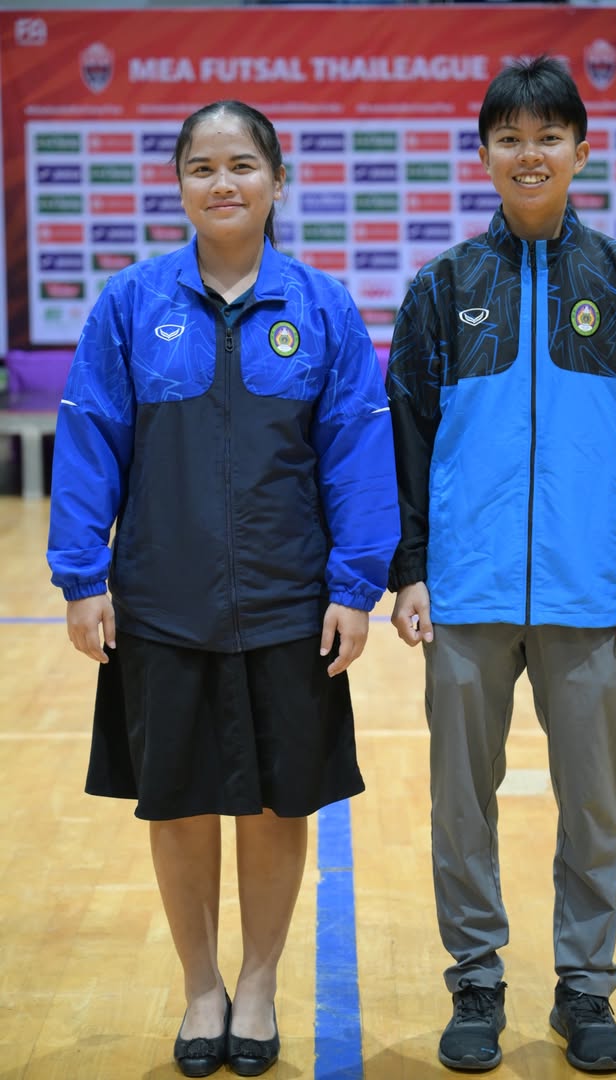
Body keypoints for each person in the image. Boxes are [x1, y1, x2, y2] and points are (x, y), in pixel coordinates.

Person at [47, 99, 399, 1078]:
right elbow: (89, 438)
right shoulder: (129, 304)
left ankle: (258, 983)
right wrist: (81, 576)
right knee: (177, 804)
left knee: (280, 805)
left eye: (242, 164)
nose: (223, 182)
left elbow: (357, 452)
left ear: (278, 181)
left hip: (290, 607)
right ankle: (201, 985)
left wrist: (355, 585)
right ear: (179, 186)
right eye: (201, 167)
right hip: (161, 606)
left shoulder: (322, 308)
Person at [386, 56, 616, 1075]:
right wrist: (410, 569)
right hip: (466, 594)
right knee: (460, 806)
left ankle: (586, 988)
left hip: (590, 594)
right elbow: (404, 439)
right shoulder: (443, 288)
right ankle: (476, 980)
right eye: (511, 139)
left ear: (581, 150)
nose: (531, 155)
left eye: (549, 137)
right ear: (484, 155)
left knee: (595, 807)